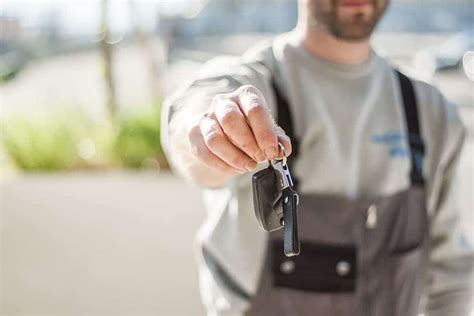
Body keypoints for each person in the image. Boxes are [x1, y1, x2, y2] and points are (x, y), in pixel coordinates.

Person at [161, 0, 473, 315]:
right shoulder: (257, 81)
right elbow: (193, 122)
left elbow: (451, 279)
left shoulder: (431, 113)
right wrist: (213, 133)